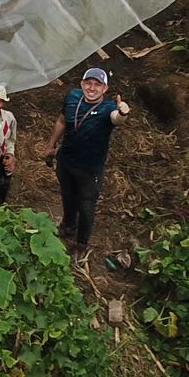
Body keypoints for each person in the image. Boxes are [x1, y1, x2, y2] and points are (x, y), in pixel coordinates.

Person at [41, 67, 130, 256]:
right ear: (82, 84)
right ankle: (68, 225)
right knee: (67, 195)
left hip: (89, 169)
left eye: (97, 85)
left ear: (105, 88)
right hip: (66, 160)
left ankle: (81, 244)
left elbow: (117, 119)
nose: (92, 88)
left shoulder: (108, 109)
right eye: (88, 83)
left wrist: (123, 112)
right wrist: (51, 145)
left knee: (87, 206)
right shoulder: (73, 97)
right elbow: (62, 121)